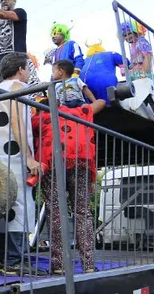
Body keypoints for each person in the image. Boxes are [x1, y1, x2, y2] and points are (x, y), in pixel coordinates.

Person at [34, 94, 107, 276]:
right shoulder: (79, 112)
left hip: (52, 162)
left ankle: (58, 265)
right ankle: (88, 264)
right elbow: (101, 102)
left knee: (56, 212)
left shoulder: (40, 117)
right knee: (83, 212)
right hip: (81, 160)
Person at [0, 53, 40, 270]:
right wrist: (29, 157)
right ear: (21, 69)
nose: (29, 74)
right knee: (19, 203)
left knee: (3, 205)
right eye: (28, 69)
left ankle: (2, 257)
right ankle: (15, 260)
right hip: (14, 157)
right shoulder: (16, 88)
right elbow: (16, 120)